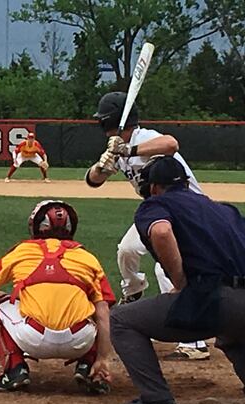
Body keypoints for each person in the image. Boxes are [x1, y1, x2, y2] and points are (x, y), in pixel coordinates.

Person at [110, 155, 245, 404]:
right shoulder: (220, 207)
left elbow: (160, 232)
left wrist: (180, 281)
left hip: (212, 301)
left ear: (155, 187)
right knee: (236, 333)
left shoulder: (155, 204)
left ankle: (157, 402)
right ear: (185, 183)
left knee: (121, 320)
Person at [85, 91, 209, 361]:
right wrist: (102, 164)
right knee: (126, 250)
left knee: (167, 267)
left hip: (189, 211)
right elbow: (93, 181)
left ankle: (193, 341)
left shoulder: (143, 138)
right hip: (159, 212)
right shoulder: (117, 147)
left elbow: (171, 144)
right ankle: (134, 292)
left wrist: (127, 150)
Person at [0, 200, 116, 394]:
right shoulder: (87, 257)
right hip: (80, 340)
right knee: (94, 305)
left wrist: (7, 297)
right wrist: (103, 358)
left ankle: (14, 370)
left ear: (36, 226)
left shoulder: (22, 251)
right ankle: (89, 368)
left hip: (33, 338)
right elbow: (104, 311)